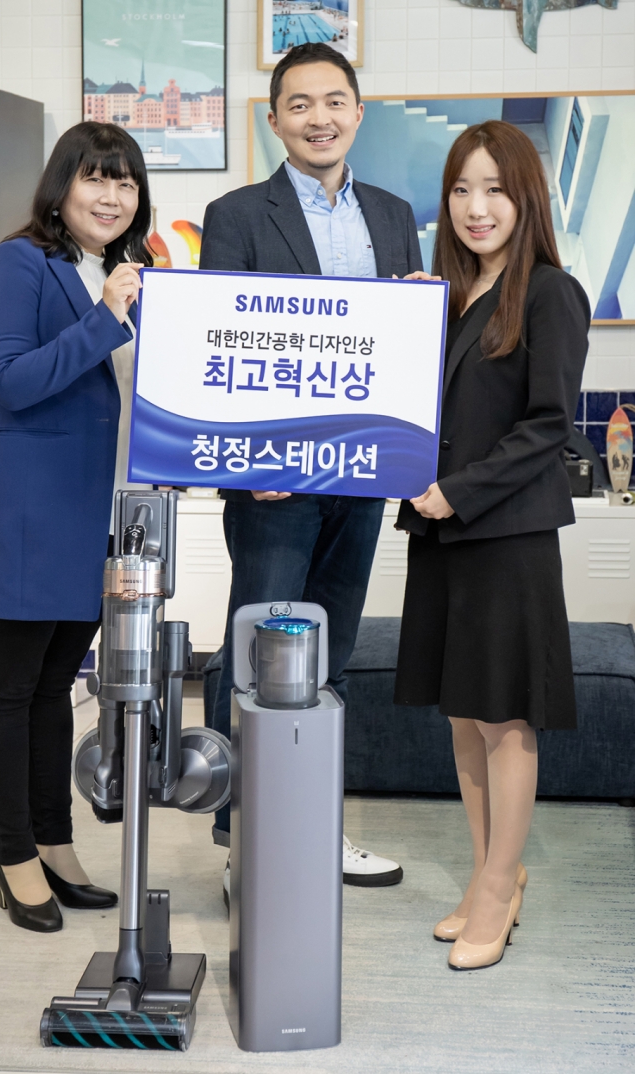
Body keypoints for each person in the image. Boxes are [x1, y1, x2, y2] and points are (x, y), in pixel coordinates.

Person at [200, 42, 425, 894]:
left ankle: (315, 828)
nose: (319, 118)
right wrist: (247, 461)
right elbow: (226, 342)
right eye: (300, 104)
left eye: (335, 102)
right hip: (275, 485)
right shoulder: (237, 214)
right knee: (260, 655)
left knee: (329, 657)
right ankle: (248, 846)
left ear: (359, 112)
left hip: (359, 475)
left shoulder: (393, 214)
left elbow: (400, 347)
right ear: (275, 120)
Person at [394, 120, 590, 970]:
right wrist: (407, 321)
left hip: (504, 533)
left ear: (525, 198)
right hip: (441, 532)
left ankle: (502, 886)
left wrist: (460, 491)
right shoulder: (448, 297)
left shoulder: (549, 292)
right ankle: (485, 877)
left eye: (495, 190)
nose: (477, 207)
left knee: (505, 717)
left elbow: (549, 427)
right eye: (461, 190)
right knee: (465, 714)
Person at [0, 122, 153, 932]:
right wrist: (104, 318)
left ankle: (53, 841)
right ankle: (13, 856)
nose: (111, 196)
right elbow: (7, 380)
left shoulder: (130, 272)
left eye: (125, 182)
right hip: (27, 514)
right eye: (94, 178)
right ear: (61, 186)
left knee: (55, 689)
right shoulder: (22, 263)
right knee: (9, 691)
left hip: (99, 517)